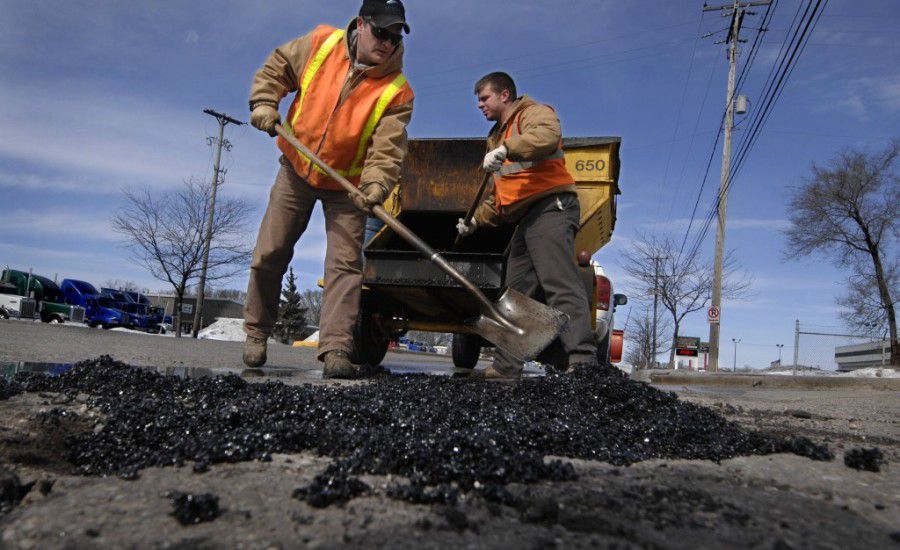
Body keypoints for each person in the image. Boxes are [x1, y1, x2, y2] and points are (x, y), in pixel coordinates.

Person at [243, 0, 414, 379]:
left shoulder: (398, 91)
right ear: (361, 24)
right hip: (296, 170)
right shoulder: (321, 43)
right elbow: (279, 66)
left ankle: (336, 349)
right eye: (382, 33)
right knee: (269, 253)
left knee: (345, 267)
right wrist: (265, 101)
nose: (388, 43)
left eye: (396, 36)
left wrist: (375, 186)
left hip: (348, 188)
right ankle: (256, 332)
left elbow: (387, 150)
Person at [457, 72, 597, 378]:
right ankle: (506, 368)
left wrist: (507, 149)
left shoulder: (533, 114)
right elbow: (499, 197)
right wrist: (474, 222)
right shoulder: (495, 139)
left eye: (484, 98)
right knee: (516, 294)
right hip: (526, 217)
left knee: (560, 283)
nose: (480, 105)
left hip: (552, 208)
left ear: (504, 95)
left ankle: (584, 362)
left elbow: (546, 137)